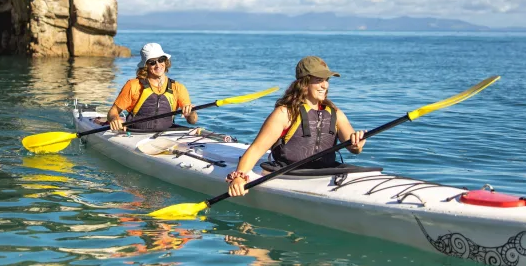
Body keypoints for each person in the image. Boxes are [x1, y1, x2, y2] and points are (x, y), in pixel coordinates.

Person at [227, 56, 365, 197]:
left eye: (326, 80)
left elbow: (355, 149)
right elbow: (257, 149)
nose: (325, 85)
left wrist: (357, 143)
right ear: (304, 83)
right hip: (289, 174)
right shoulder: (285, 113)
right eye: (319, 80)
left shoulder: (335, 113)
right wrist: (239, 176)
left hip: (326, 174)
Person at [107, 43, 197, 132]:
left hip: (166, 135)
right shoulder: (133, 85)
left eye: (161, 60)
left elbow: (192, 121)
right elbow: (112, 112)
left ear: (165, 61)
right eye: (152, 62)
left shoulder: (178, 87)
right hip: (135, 133)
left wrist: (191, 112)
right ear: (146, 66)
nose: (158, 65)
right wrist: (114, 119)